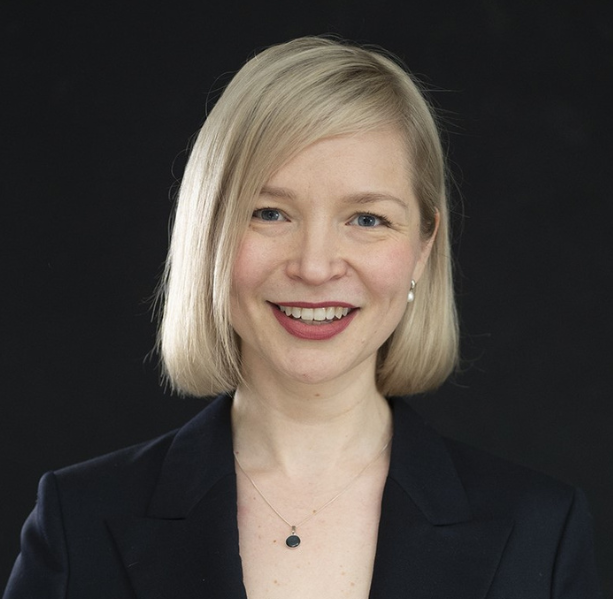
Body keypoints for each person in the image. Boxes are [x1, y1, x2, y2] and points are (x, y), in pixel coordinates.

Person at [4, 36, 601, 598]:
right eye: (270, 213)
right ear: (209, 231)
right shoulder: (78, 519)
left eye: (366, 219)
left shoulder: (541, 529)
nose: (315, 267)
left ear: (423, 247)